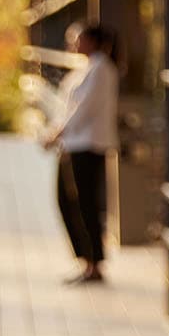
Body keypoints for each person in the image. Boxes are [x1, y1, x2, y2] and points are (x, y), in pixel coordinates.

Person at [43, 22, 119, 284]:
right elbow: (68, 107)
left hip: (87, 145)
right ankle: (86, 260)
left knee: (84, 203)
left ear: (93, 41)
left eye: (78, 38)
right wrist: (56, 132)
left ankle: (94, 263)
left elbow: (83, 109)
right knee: (67, 201)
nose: (74, 43)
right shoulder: (86, 68)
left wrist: (57, 133)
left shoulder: (101, 69)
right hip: (73, 145)